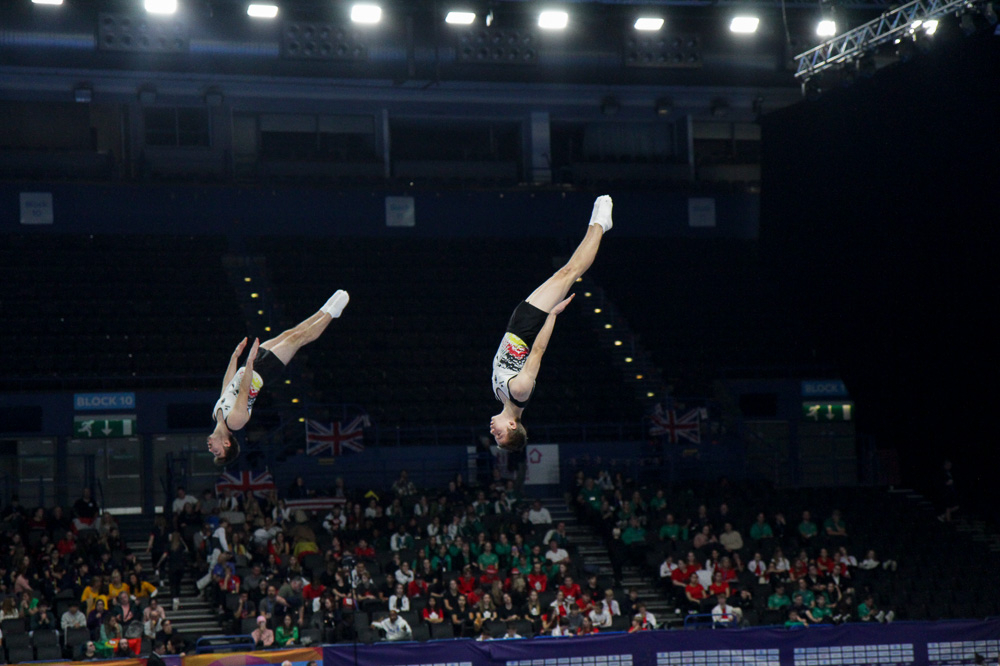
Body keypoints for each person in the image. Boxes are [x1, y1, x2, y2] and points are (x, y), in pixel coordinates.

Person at [489, 196, 613, 450]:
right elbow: (538, 351)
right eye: (499, 436)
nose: (494, 432)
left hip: (518, 325)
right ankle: (600, 223)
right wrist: (552, 316)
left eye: (494, 437)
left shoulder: (502, 397)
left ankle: (597, 223)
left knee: (566, 273)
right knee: (570, 273)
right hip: (527, 327)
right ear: (513, 426)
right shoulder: (520, 392)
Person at [207, 289, 350, 465]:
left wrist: (235, 357)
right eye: (216, 450)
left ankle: (323, 309)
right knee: (297, 339)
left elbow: (226, 386)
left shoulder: (216, 415)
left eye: (212, 450)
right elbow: (244, 390)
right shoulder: (235, 422)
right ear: (227, 443)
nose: (210, 447)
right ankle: (332, 314)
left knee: (289, 333)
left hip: (249, 366)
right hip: (263, 371)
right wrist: (250, 362)